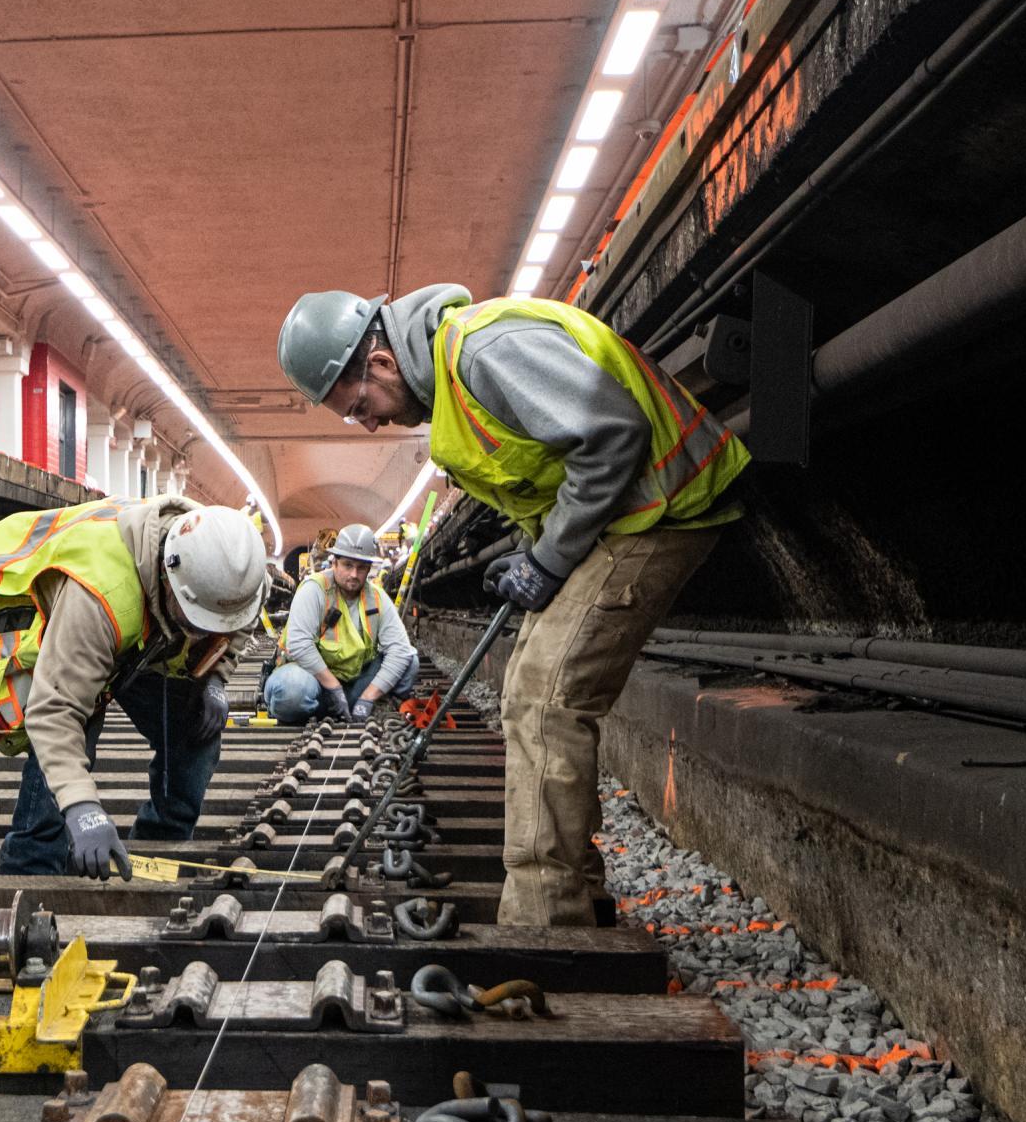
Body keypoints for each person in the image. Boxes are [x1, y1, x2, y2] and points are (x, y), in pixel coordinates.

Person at [277, 285, 749, 927]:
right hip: (622, 514)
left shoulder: (485, 350)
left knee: (543, 698)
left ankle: (544, 920)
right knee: (526, 693)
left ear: (381, 362)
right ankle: (581, 890)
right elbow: (548, 467)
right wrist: (533, 548)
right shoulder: (451, 384)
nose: (368, 423)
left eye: (360, 405)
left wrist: (550, 560)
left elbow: (612, 435)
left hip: (661, 502)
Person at [0, 496, 267, 880]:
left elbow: (239, 623)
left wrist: (217, 677)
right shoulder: (99, 596)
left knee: (195, 725)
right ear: (169, 581)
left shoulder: (233, 570)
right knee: (76, 723)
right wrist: (82, 808)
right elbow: (54, 711)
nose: (207, 634)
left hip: (146, 631)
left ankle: (157, 849)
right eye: (199, 621)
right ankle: (30, 865)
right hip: (51, 614)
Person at [264, 522, 417, 725]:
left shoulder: (377, 598)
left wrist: (367, 698)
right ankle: (314, 709)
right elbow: (299, 645)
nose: (354, 574)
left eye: (361, 568)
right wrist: (334, 688)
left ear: (369, 569)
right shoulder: (314, 590)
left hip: (354, 687)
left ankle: (359, 708)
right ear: (334, 562)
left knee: (410, 663)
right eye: (348, 565)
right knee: (291, 692)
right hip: (312, 680)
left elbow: (400, 650)